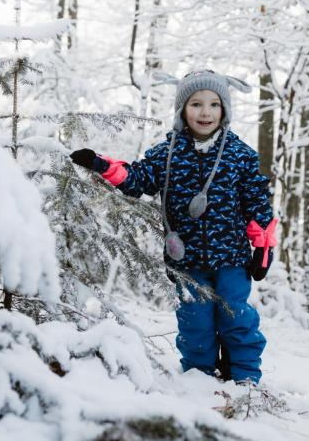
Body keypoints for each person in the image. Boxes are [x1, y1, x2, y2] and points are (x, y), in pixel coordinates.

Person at [69, 69, 277, 384]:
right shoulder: (167, 153)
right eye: (195, 104)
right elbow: (137, 178)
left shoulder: (240, 156)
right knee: (195, 322)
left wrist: (262, 249)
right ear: (182, 110)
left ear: (224, 110)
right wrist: (101, 164)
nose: (205, 112)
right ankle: (199, 378)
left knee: (236, 316)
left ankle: (245, 377)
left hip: (232, 258)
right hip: (186, 261)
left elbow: (258, 206)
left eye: (213, 104)